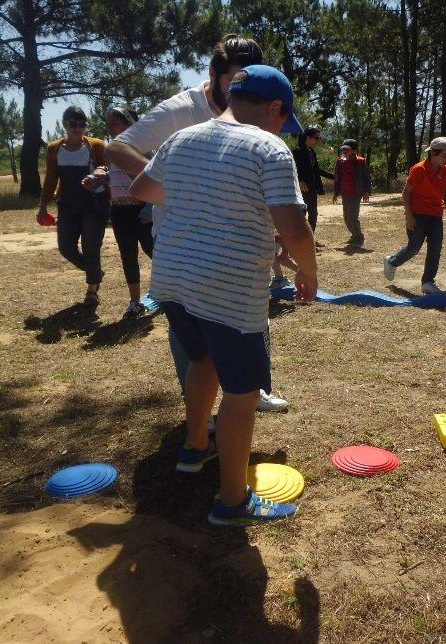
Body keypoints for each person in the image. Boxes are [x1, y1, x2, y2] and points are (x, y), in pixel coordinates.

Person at [130, 65, 317, 525]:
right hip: (227, 290)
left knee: (201, 361)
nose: (282, 129)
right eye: (283, 119)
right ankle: (233, 502)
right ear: (275, 108)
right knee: (242, 393)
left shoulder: (183, 139)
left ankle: (195, 448)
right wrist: (309, 274)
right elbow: (294, 226)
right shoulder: (268, 148)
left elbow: (143, 189)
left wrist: (209, 205)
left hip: (173, 281)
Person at [104, 34, 289, 412]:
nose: (240, 90)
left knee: (252, 307)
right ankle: (198, 413)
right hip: (184, 239)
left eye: (247, 81)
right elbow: (116, 147)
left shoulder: (251, 108)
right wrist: (181, 189)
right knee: (189, 327)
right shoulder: (180, 109)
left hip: (237, 238)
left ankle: (253, 389)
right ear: (214, 75)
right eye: (231, 81)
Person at [383, 137, 446, 294]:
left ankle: (428, 282)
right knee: (414, 247)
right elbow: (406, 193)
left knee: (435, 248)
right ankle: (392, 261)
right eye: (444, 156)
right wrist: (409, 215)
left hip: (435, 214)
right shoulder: (419, 169)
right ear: (433, 153)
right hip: (417, 214)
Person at [84, 105, 154, 319]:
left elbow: (156, 178)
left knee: (156, 253)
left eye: (114, 122)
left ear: (128, 124)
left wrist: (150, 210)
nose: (110, 127)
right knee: (128, 256)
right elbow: (114, 174)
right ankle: (134, 302)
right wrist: (101, 177)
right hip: (120, 211)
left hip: (142, 212)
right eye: (109, 123)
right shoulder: (112, 150)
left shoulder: (142, 148)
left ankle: (171, 294)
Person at [37, 106, 108, 306]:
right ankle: (95, 272)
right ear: (64, 125)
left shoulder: (96, 146)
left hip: (94, 204)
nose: (77, 128)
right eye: (72, 124)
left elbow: (107, 169)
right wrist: (43, 206)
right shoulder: (54, 148)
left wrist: (101, 172)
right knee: (66, 247)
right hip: (67, 205)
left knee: (91, 247)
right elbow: (51, 179)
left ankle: (92, 290)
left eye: (82, 124)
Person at [292, 126, 333, 246]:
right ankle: (299, 242)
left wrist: (335, 177)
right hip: (301, 190)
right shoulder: (297, 151)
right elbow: (292, 169)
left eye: (319, 138)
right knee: (301, 215)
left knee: (313, 214)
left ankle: (310, 239)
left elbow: (317, 170)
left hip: (312, 188)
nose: (318, 141)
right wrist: (299, 180)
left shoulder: (311, 152)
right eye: (316, 138)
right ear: (307, 137)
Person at [331, 139, 371, 247]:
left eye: (347, 149)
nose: (344, 151)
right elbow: (337, 178)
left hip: (355, 193)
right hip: (344, 192)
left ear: (353, 150)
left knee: (353, 216)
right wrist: (336, 192)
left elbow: (367, 177)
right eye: (343, 149)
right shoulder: (340, 161)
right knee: (346, 216)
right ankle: (354, 235)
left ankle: (359, 238)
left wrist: (366, 191)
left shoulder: (360, 161)